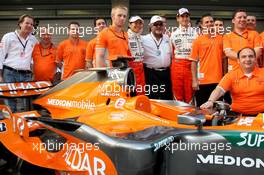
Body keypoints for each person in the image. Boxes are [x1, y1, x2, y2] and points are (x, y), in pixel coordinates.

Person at [201, 47, 264, 116]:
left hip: (261, 115)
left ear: (255, 59)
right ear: (238, 61)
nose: (247, 59)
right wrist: (210, 101)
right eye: (244, 57)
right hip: (237, 115)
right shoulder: (231, 75)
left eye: (251, 56)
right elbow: (219, 90)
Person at [0, 14, 37, 112]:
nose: (29, 26)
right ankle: (12, 124)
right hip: (9, 73)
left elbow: (33, 58)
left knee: (26, 103)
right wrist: (0, 75)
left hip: (26, 75)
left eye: (31, 24)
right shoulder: (8, 37)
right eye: (27, 23)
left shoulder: (34, 40)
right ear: (20, 23)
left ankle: (24, 124)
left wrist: (33, 73)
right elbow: (1, 55)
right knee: (10, 102)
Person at [190, 14, 224, 107]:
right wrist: (194, 80)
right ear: (201, 25)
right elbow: (193, 62)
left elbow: (224, 60)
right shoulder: (197, 41)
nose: (209, 23)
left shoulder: (221, 39)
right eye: (207, 22)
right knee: (202, 110)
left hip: (218, 81)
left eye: (211, 21)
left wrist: (224, 77)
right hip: (202, 81)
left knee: (217, 111)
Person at [170, 8, 198, 103]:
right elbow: (170, 54)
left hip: (191, 66)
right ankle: (178, 116)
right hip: (177, 66)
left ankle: (190, 115)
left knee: (190, 93)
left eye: (187, 16)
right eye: (182, 16)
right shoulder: (173, 34)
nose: (184, 18)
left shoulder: (196, 33)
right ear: (177, 18)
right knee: (177, 94)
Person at [142, 15, 173, 100]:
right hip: (151, 74)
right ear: (150, 26)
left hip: (166, 74)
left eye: (161, 24)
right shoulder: (143, 39)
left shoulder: (168, 38)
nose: (159, 27)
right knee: (152, 98)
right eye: (156, 24)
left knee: (167, 99)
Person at [127, 16, 145, 95]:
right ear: (129, 25)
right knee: (132, 94)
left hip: (141, 68)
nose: (138, 25)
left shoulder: (141, 37)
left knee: (141, 92)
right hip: (131, 69)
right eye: (135, 23)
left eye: (140, 23)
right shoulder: (125, 36)